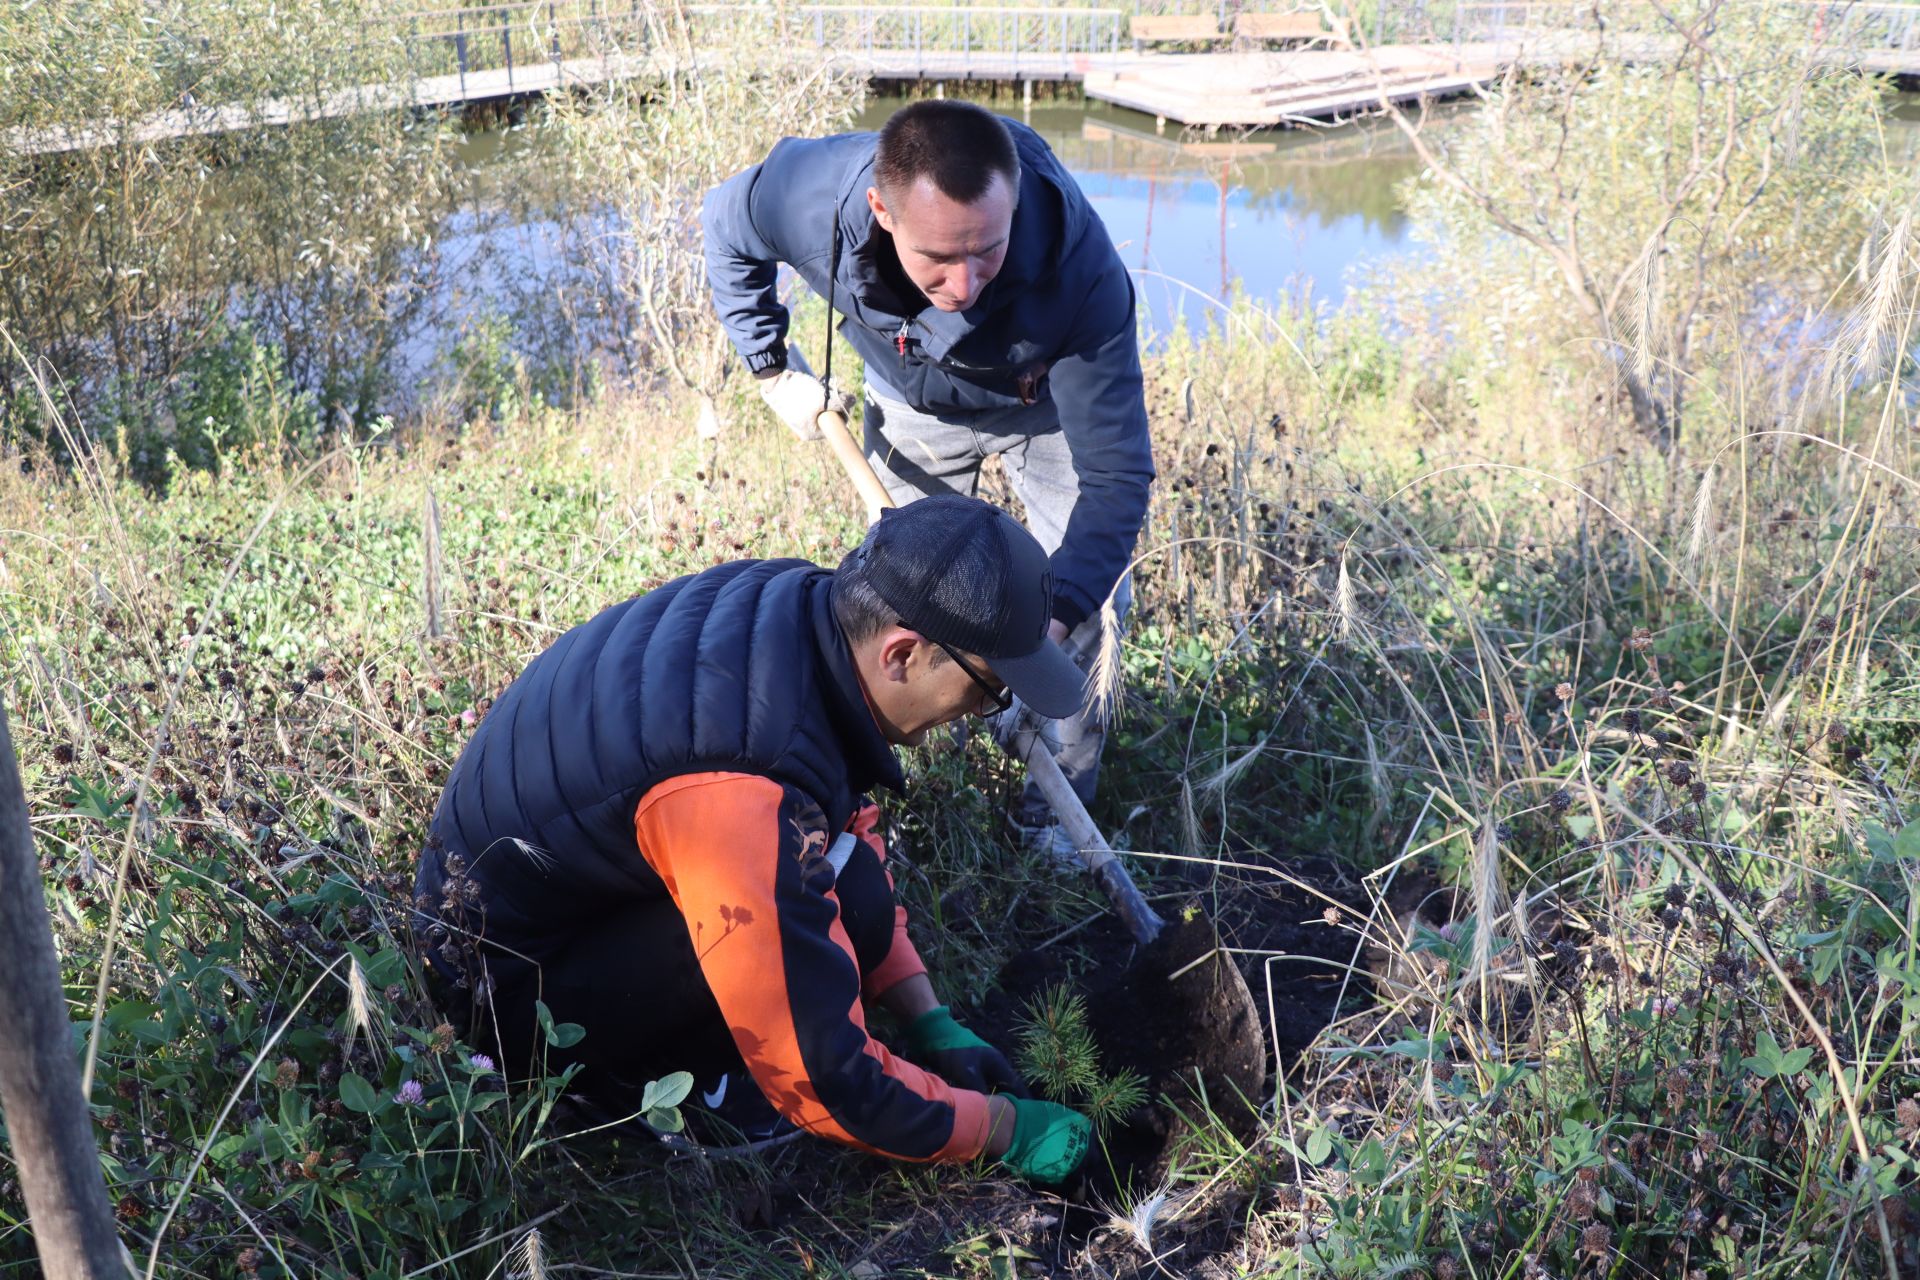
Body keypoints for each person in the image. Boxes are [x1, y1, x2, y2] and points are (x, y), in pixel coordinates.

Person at [413, 494, 1091, 1184]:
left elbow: (845, 817)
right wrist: (1001, 1129)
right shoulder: (734, 785)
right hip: (509, 1001)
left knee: (844, 884)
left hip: (570, 911)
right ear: (903, 654)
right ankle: (683, 1094)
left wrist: (927, 1018)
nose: (981, 713)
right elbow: (826, 1078)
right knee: (782, 929)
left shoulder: (800, 608)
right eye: (987, 689)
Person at [701, 98, 1154, 860]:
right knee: (902, 609)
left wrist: (1046, 624)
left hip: (1040, 413)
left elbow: (1115, 476)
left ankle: (1054, 818)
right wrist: (770, 365)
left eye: (988, 251)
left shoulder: (1082, 271)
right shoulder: (810, 199)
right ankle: (905, 801)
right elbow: (724, 224)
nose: (967, 282)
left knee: (1094, 604)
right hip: (909, 406)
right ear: (883, 211)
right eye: (939, 259)